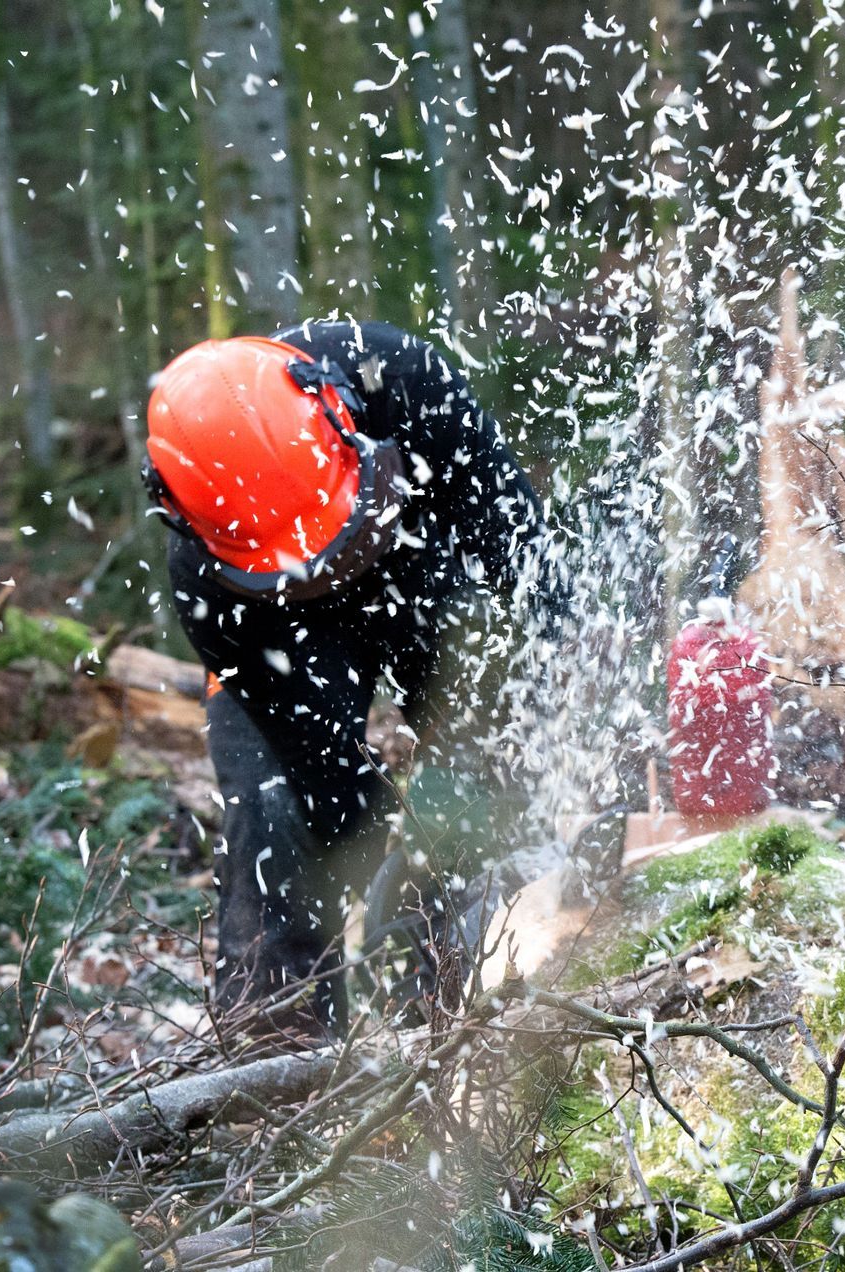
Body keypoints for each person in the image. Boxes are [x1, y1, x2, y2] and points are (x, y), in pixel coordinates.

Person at [143, 320, 553, 1040]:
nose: (335, 569)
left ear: (334, 409)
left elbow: (522, 558)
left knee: (485, 767)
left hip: (430, 583)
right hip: (281, 638)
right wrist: (369, 850)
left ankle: (466, 1026)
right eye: (307, 560)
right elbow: (319, 772)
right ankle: (280, 1072)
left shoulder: (395, 376)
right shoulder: (204, 584)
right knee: (269, 820)